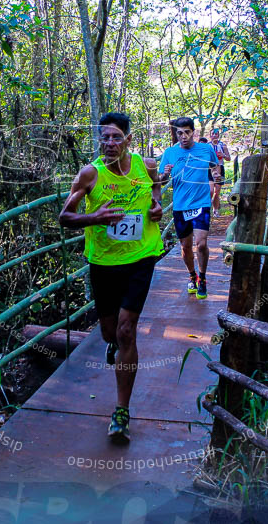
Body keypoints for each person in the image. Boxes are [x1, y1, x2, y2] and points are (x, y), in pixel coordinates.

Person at [59, 112, 164, 444]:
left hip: (141, 256)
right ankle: (112, 346)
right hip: (103, 262)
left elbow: (156, 188)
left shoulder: (145, 166)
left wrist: (158, 206)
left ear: (128, 140)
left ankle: (121, 412)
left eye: (116, 137)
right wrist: (95, 218)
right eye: (104, 137)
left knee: (126, 331)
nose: (109, 143)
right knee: (109, 333)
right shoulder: (90, 174)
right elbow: (65, 216)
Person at [159, 117, 220, 299]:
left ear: (193, 132)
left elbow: (215, 165)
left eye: (187, 132)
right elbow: (160, 180)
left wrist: (216, 174)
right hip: (180, 205)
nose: (183, 136)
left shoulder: (206, 149)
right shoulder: (169, 153)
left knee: (201, 244)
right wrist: (165, 174)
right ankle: (192, 275)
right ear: (175, 134)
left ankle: (202, 277)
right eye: (179, 133)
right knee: (185, 247)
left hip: (201, 203)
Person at [209, 128, 231, 216]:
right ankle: (207, 209)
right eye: (213, 134)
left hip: (220, 168)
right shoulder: (207, 146)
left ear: (218, 135)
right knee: (210, 190)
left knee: (217, 191)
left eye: (216, 134)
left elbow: (229, 158)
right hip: (209, 169)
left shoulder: (222, 145)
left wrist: (223, 155)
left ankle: (215, 210)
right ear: (210, 135)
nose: (214, 135)